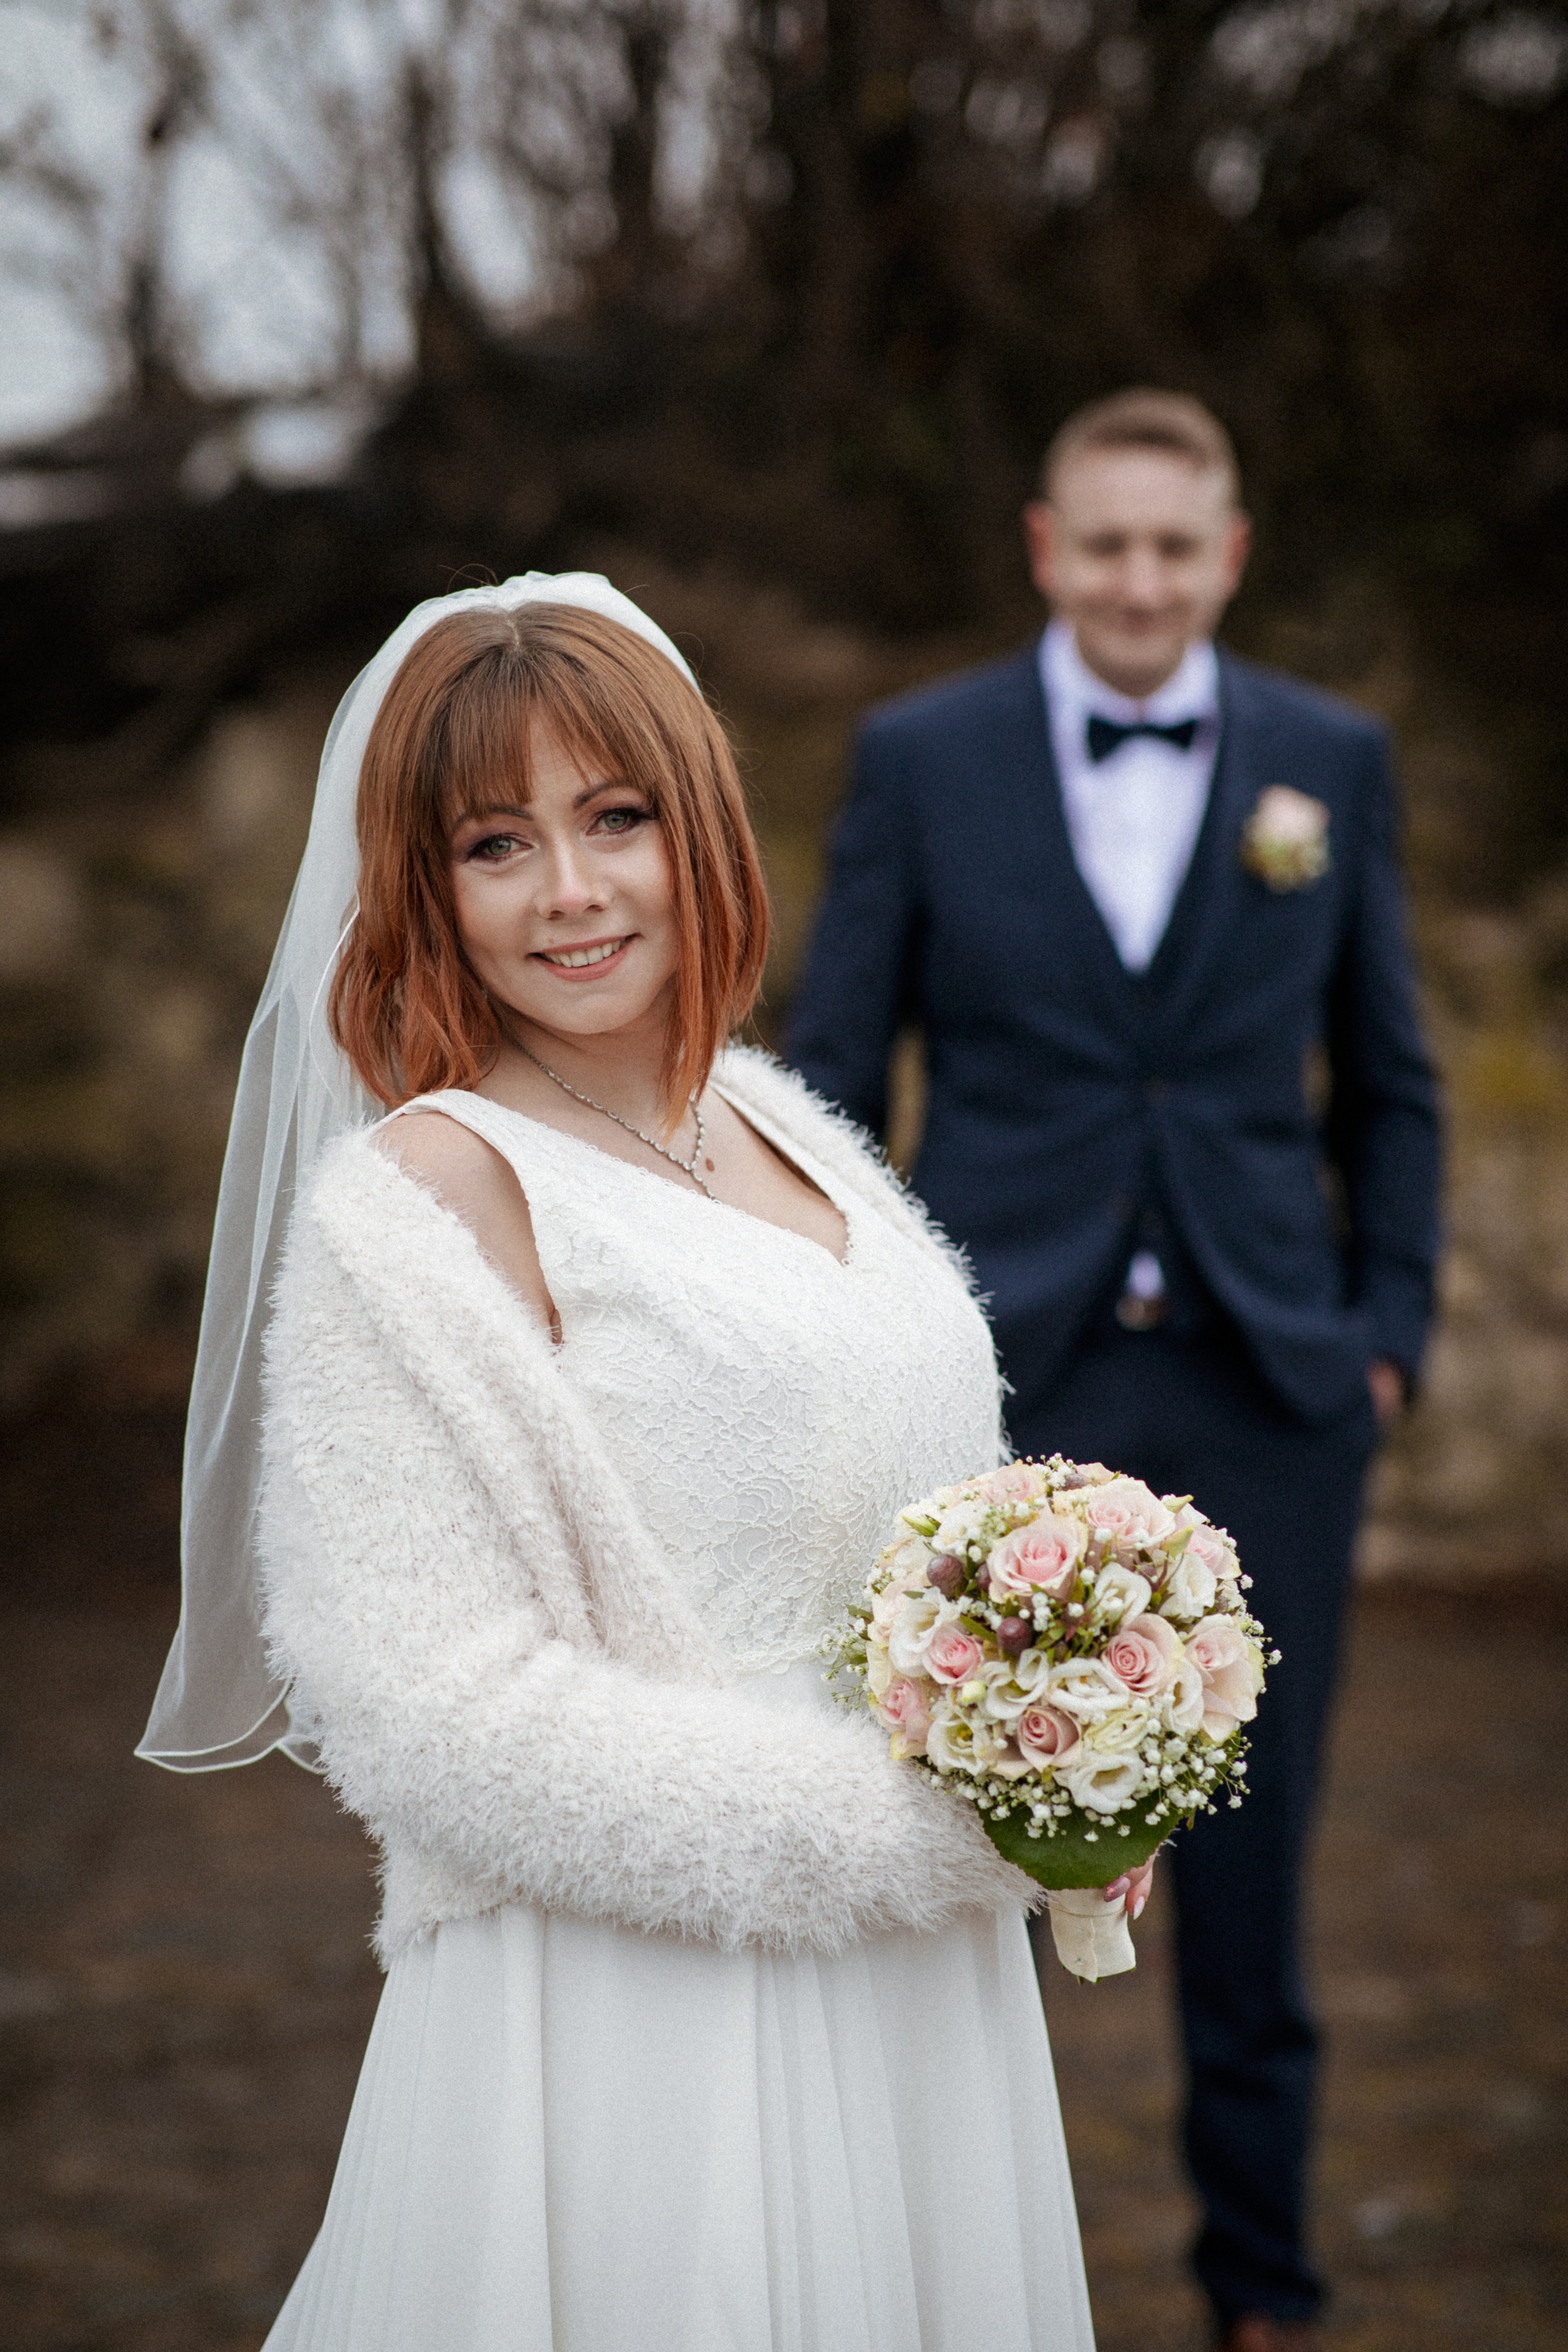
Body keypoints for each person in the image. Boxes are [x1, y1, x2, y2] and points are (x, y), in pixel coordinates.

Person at [135, 572, 1123, 2351]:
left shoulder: (774, 1116)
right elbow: (434, 1715)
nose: (571, 891)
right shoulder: (415, 1207)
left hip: (922, 2002)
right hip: (638, 2032)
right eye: (495, 845)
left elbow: (925, 1519)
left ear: (701, 828)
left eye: (615, 819)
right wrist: (935, 1832)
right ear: (423, 887)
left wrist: (1077, 1744)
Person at [788, 391, 1442, 2351]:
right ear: (1044, 548)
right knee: (956, 1868)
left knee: (1254, 1884)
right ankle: (939, 2289)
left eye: (1176, 547)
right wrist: (850, 1357)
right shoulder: (922, 759)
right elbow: (837, 1082)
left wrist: (1386, 1340)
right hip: (999, 1396)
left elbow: (1391, 1082)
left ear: (1228, 556)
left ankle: (1263, 2296)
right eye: (1107, 544)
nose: (1140, 581)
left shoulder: (1332, 762)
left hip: (1270, 1388)